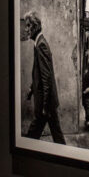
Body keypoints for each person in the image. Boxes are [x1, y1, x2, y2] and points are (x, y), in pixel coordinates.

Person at [23, 11, 66, 144]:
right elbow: (39, 74)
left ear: (35, 26)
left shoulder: (41, 44)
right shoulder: (38, 43)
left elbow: (46, 78)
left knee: (35, 133)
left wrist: (45, 107)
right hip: (45, 101)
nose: (26, 29)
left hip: (45, 103)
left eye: (28, 25)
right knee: (55, 135)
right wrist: (32, 89)